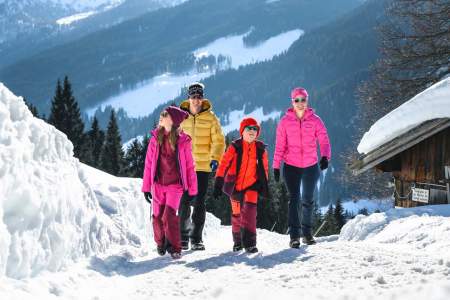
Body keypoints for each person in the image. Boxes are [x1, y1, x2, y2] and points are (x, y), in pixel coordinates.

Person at [273, 87, 331, 248]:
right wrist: (276, 166)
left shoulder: (315, 120)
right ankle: (294, 236)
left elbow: (324, 140)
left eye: (303, 100)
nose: (300, 103)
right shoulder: (284, 122)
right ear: (292, 102)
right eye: (296, 100)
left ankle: (306, 233)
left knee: (308, 200)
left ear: (307, 101)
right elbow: (279, 146)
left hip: (310, 166)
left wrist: (325, 156)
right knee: (294, 199)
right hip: (291, 166)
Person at [142, 106, 197, 259]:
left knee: (169, 216)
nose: (161, 116)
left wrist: (192, 190)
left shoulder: (183, 141)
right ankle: (160, 242)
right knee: (157, 217)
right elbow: (148, 164)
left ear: (173, 121)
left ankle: (175, 248)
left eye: (165, 115)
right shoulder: (155, 138)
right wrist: (146, 187)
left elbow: (189, 166)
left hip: (175, 186)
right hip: (158, 185)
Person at [178, 82, 225, 251]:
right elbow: (173, 139)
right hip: (185, 166)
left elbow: (219, 140)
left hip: (203, 166)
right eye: (193, 97)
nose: (196, 100)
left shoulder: (211, 118)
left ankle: (196, 239)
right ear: (188, 98)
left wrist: (215, 158)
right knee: (183, 201)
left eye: (199, 97)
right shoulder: (181, 117)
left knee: (199, 202)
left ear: (202, 98)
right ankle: (182, 238)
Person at [213, 118, 269, 253]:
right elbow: (224, 163)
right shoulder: (235, 147)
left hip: (252, 187)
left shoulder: (260, 149)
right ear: (242, 131)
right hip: (235, 187)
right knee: (237, 214)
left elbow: (265, 169)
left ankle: (250, 244)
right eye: (249, 128)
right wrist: (218, 181)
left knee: (250, 214)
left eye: (255, 129)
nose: (252, 131)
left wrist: (263, 184)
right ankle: (238, 241)